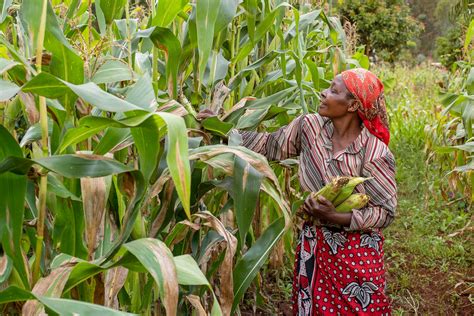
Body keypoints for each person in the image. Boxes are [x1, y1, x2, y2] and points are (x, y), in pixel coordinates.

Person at [238, 68, 397, 315]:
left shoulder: (375, 153)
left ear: (353, 105)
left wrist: (337, 217)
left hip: (355, 252)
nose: (323, 93)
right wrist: (224, 132)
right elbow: (269, 145)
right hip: (314, 243)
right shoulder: (309, 127)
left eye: (333, 90)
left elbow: (385, 212)